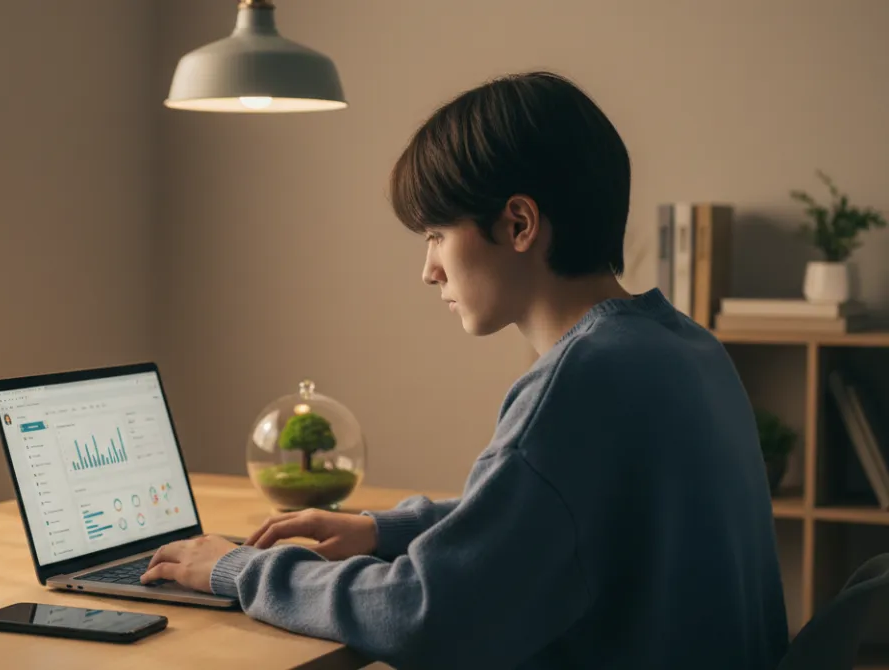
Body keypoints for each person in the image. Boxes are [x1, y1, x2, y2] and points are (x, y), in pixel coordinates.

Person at [141, 71, 788, 669]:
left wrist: (237, 570)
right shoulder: (683, 349)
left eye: (435, 236)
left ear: (518, 224)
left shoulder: (585, 380)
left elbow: (426, 612)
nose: (429, 271)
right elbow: (556, 514)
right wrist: (378, 529)